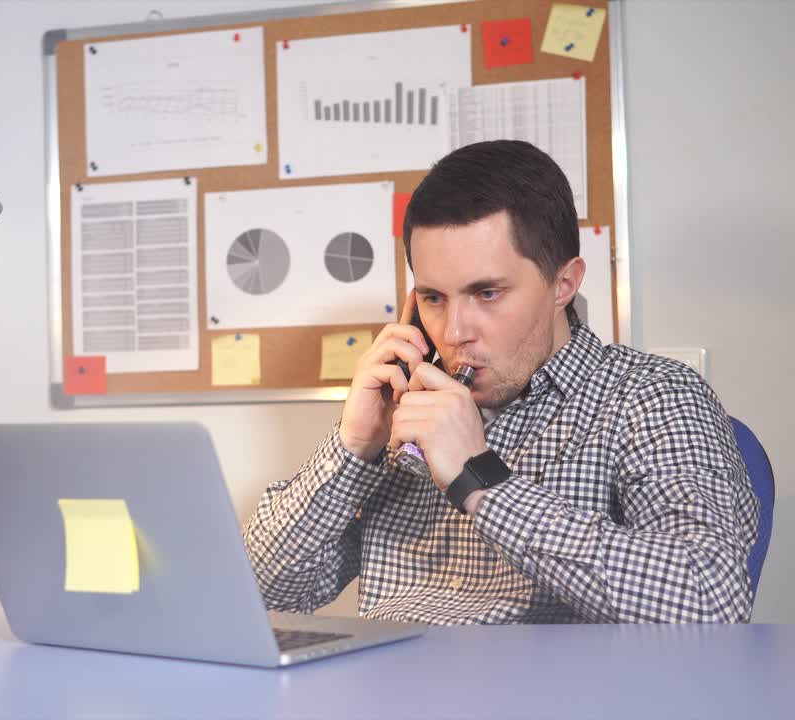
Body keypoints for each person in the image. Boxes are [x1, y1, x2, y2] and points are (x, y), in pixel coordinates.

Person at [242, 140, 759, 624]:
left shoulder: (650, 395)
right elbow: (263, 593)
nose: (454, 333)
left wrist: (482, 482)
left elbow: (710, 600)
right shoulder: (410, 412)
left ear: (564, 283)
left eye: (486, 293)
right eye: (434, 299)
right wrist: (352, 449)